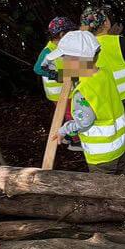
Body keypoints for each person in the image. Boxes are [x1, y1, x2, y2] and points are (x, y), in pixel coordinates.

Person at [46, 29, 125, 171]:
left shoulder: (82, 92)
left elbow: (84, 122)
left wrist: (64, 130)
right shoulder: (105, 73)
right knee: (122, 179)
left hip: (102, 154)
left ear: (75, 61)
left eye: (64, 59)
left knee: (102, 189)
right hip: (119, 145)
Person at [80, 6, 125, 161]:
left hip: (104, 96)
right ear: (106, 23)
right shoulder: (119, 41)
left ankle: (116, 150)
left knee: (111, 121)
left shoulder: (84, 47)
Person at [34, 16, 82, 152]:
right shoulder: (48, 51)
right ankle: (75, 141)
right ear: (62, 35)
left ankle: (66, 135)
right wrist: (55, 75)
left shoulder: (63, 46)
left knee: (68, 112)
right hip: (57, 92)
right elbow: (37, 68)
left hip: (68, 88)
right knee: (69, 114)